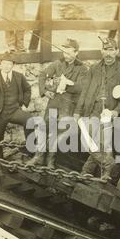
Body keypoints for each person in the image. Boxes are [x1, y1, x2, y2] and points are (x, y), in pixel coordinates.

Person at [73, 37, 120, 180]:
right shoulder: (94, 68)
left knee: (101, 143)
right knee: (90, 142)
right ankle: (109, 164)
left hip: (108, 114)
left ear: (117, 51)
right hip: (91, 110)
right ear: (102, 51)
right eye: (106, 50)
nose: (108, 54)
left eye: (111, 50)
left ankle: (87, 171)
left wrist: (114, 112)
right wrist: (77, 112)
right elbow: (85, 91)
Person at [28, 38, 88, 168]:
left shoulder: (82, 68)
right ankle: (38, 157)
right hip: (54, 102)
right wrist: (44, 91)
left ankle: (50, 160)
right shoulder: (58, 64)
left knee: (58, 133)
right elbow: (43, 75)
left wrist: (65, 84)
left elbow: (81, 87)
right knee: (45, 129)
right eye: (64, 52)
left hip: (68, 105)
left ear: (76, 52)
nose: (65, 55)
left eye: (68, 52)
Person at [0, 53, 32, 158]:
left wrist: (23, 103)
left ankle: (31, 150)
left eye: (9, 64)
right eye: (4, 64)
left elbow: (27, 89)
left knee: (30, 120)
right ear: (0, 64)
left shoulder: (19, 77)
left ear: (13, 65)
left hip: (14, 110)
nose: (6, 66)